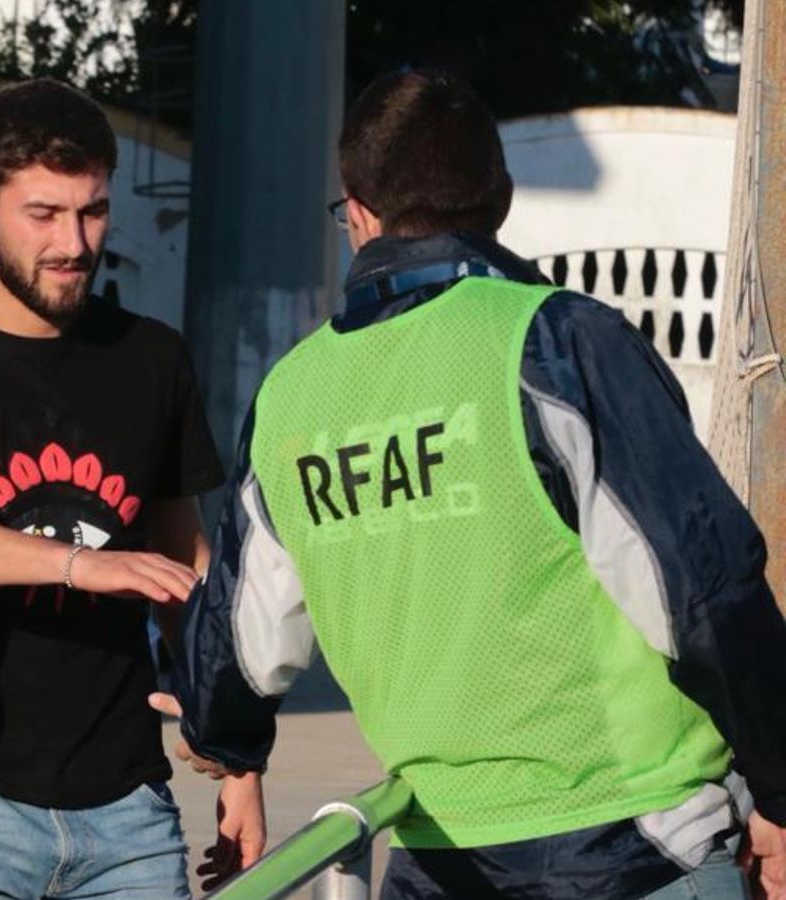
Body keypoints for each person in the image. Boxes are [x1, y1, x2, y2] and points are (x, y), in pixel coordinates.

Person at [164, 69, 786, 899]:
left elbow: (245, 637)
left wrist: (223, 736)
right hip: (638, 842)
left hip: (443, 850)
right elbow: (702, 588)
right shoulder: (558, 343)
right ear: (500, 197)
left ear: (359, 213)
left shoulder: (292, 396)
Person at [0, 78, 257, 900]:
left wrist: (237, 752)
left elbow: (184, 565)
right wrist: (81, 565)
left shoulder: (151, 357)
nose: (74, 242)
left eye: (93, 211)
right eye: (43, 214)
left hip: (127, 815)